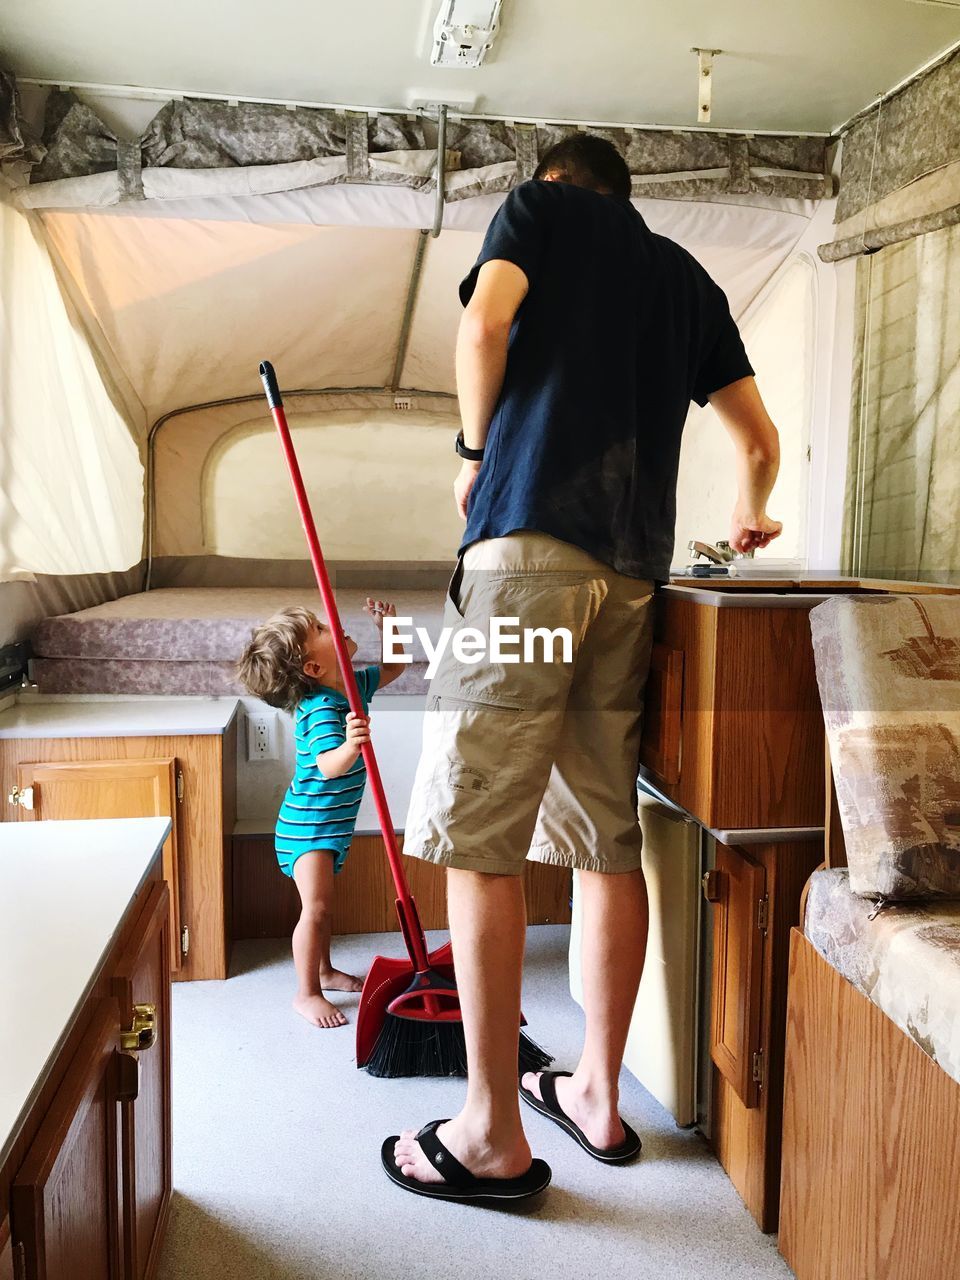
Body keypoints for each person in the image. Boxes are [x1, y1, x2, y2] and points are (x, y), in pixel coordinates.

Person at [383, 134, 782, 1203]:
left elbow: (485, 321)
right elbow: (757, 439)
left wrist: (473, 459)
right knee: (607, 832)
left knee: (479, 832)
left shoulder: (539, 212)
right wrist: (748, 514)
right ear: (627, 193)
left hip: (522, 558)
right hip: (631, 582)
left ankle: (489, 1130)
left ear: (558, 182)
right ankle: (599, 1093)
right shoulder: (687, 280)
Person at [237, 599, 406, 1028]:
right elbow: (330, 765)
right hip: (308, 828)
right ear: (312, 668)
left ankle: (325, 971)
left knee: (323, 909)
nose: (334, 624)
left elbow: (396, 668)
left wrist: (391, 627)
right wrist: (351, 745)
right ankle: (306, 992)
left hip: (326, 826)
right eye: (320, 628)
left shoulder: (350, 687)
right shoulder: (322, 710)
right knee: (314, 911)